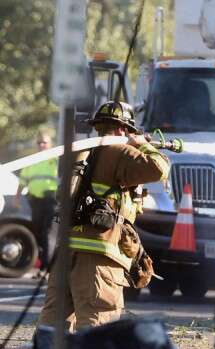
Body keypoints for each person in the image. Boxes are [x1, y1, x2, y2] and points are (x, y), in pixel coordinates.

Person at [38, 101, 170, 330]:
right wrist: (143, 145)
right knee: (98, 321)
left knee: (53, 323)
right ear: (123, 129)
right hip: (98, 256)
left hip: (67, 252)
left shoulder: (85, 152)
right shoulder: (121, 152)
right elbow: (159, 168)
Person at [18, 133, 59, 274]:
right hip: (35, 201)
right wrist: (17, 198)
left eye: (45, 142)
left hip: (50, 201)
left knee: (47, 232)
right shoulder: (32, 160)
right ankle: (41, 264)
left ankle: (46, 268)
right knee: (38, 232)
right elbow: (23, 181)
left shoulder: (55, 159)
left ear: (50, 144)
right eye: (39, 142)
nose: (41, 145)